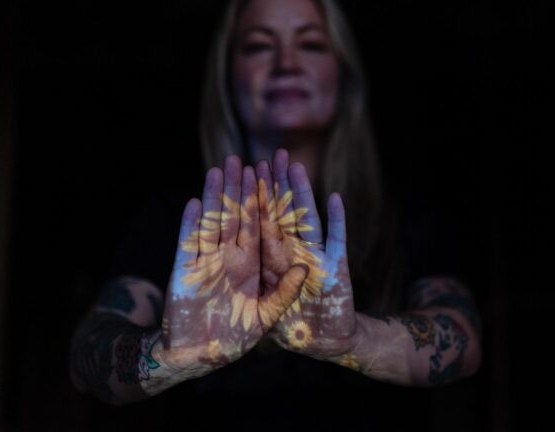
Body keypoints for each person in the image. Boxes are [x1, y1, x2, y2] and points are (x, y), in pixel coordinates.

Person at [69, 0, 482, 426]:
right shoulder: (177, 221)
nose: (286, 63)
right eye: (259, 46)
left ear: (343, 72)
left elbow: (464, 340)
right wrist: (165, 357)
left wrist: (356, 341)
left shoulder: (404, 218)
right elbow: (87, 353)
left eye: (312, 44)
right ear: (227, 76)